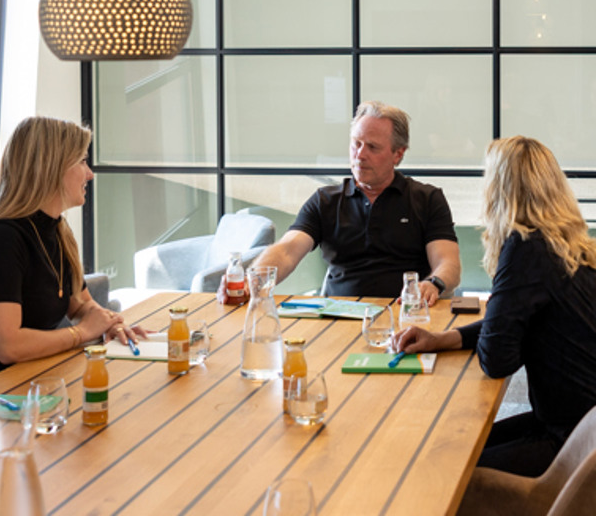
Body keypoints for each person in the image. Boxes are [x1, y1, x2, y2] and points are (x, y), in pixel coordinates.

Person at [393, 135, 596, 476]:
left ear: (499, 190)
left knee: (438, 468)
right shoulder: (569, 246)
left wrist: (501, 308)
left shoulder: (526, 248)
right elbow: (516, 324)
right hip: (579, 424)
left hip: (571, 444)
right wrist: (442, 339)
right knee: (452, 445)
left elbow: (498, 359)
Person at [218, 100, 461, 304]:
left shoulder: (427, 199)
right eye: (356, 143)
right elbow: (287, 251)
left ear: (398, 154)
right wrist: (252, 281)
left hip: (406, 313)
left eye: (372, 147)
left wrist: (434, 284)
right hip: (337, 315)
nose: (360, 155)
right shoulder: (325, 201)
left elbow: (448, 262)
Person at [0, 116, 143, 372]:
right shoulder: (4, 238)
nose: (90, 174)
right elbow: (7, 346)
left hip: (36, 378)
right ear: (51, 168)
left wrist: (109, 323)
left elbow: (81, 304)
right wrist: (82, 333)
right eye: (82, 161)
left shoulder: (58, 231)